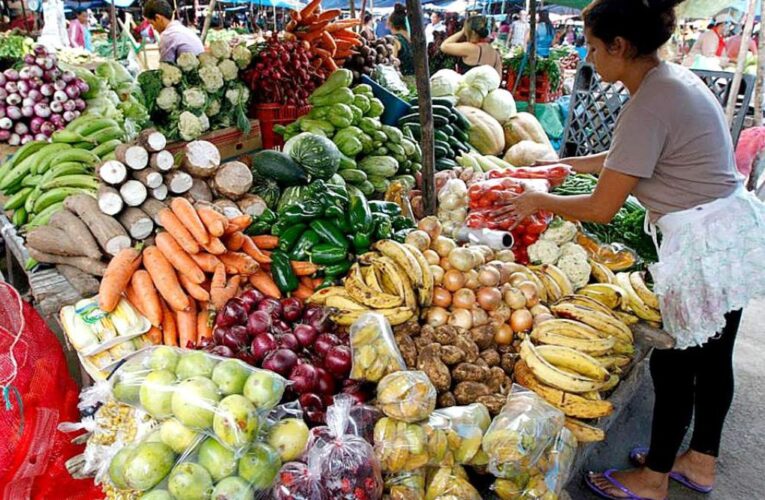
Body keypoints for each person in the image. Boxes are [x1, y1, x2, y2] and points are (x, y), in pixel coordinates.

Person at [501, 0, 765, 498]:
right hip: (725, 231)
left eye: (595, 48)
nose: (589, 57)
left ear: (621, 47)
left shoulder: (650, 103)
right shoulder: (669, 81)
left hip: (703, 242)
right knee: (713, 361)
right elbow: (629, 154)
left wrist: (539, 199)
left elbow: (601, 209)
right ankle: (699, 461)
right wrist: (570, 165)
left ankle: (654, 478)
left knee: (676, 363)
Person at [388, 4, 413, 76]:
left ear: (391, 24)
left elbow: (392, 64)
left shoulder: (395, 40)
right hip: (416, 81)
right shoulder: (413, 39)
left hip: (404, 81)